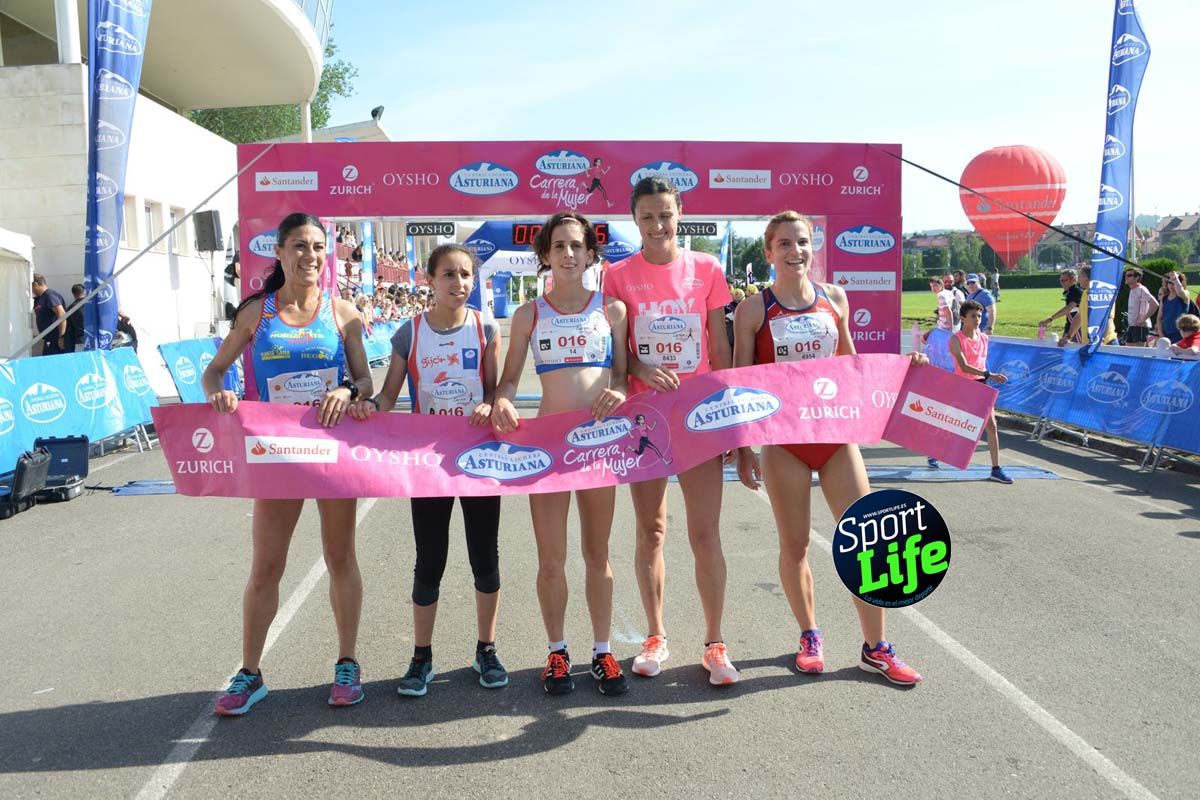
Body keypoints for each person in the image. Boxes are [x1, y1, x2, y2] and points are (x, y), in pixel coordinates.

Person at [733, 210, 926, 685]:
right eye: (784, 243)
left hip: (835, 438)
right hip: (785, 442)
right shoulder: (753, 310)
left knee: (868, 539)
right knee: (795, 544)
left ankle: (876, 648)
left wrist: (901, 370)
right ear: (769, 252)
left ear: (812, 247)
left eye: (802, 242)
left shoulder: (834, 298)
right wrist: (743, 449)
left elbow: (853, 367)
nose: (795, 251)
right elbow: (740, 384)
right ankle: (809, 636)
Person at [201, 212, 373, 715]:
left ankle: (347, 664)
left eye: (318, 247)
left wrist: (348, 390)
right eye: (299, 246)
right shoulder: (257, 313)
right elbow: (214, 372)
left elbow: (366, 381)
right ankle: (250, 673)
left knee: (340, 557)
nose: (310, 256)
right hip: (275, 456)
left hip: (331, 453)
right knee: (267, 566)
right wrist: (219, 396)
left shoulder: (343, 313)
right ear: (279, 253)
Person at [348, 243, 506, 697]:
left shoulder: (486, 328)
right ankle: (421, 656)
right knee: (430, 558)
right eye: (449, 274)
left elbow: (495, 392)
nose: (459, 283)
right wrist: (368, 407)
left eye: (465, 274)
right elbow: (389, 396)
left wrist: (489, 403)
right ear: (430, 280)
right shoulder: (409, 332)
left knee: (485, 557)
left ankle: (486, 649)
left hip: (477, 460)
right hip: (429, 464)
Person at [603, 176, 739, 685]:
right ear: (634, 220)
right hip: (646, 419)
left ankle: (715, 643)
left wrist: (728, 419)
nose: (657, 225)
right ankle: (656, 635)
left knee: (705, 533)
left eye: (665, 215)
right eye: (647, 217)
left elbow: (720, 350)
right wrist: (641, 369)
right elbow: (617, 354)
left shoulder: (707, 268)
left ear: (679, 215)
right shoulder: (617, 275)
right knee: (652, 530)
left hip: (699, 417)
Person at [491, 211, 630, 696]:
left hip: (597, 446)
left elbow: (622, 376)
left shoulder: (612, 310)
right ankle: (556, 650)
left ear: (591, 254)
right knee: (551, 559)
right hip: (548, 451)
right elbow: (509, 380)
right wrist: (504, 399)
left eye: (577, 246)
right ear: (545, 256)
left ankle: (603, 651)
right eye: (559, 246)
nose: (568, 254)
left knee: (597, 554)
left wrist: (619, 389)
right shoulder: (529, 314)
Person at [945, 300, 1012, 483]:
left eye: (979, 316)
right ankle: (935, 452)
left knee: (991, 425)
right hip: (963, 386)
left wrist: (985, 376)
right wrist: (990, 374)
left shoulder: (984, 338)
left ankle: (996, 469)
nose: (977, 319)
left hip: (981, 384)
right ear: (963, 318)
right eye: (973, 316)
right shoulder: (955, 340)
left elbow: (980, 363)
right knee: (954, 425)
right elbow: (964, 366)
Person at [1063, 265, 1116, 347]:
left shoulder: (1103, 294)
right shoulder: (1085, 293)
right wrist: (1068, 337)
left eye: (1080, 276)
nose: (1078, 280)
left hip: (1105, 343)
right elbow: (1079, 316)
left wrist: (1101, 339)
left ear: (1087, 278)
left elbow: (1107, 318)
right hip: (1089, 343)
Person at [1039, 269, 1082, 341]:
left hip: (1076, 329)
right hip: (1069, 326)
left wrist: (1050, 319)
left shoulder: (1076, 291)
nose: (1062, 283)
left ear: (1073, 280)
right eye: (1061, 280)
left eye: (1065, 280)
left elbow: (1068, 308)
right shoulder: (1069, 292)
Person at [31, 274, 68, 355]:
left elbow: (61, 314)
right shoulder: (39, 298)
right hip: (48, 337)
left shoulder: (49, 295)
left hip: (55, 338)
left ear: (35, 285)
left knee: (54, 360)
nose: (31, 291)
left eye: (30, 287)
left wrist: (61, 337)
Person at [1156, 271, 1196, 343]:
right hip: (1166, 336)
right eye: (1170, 282)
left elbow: (1180, 291)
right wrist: (1161, 334)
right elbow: (1159, 318)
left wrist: (1175, 278)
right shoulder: (1164, 299)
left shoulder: (1185, 295)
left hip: (1181, 336)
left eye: (1174, 283)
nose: (1171, 285)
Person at [1123, 267, 1158, 346]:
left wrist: (1143, 319)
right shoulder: (1132, 290)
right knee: (1127, 350)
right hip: (1132, 326)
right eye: (1125, 275)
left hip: (1140, 326)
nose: (1126, 277)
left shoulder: (1141, 289)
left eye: (1129, 275)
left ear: (1137, 278)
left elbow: (1155, 304)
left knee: (1139, 351)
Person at [64, 284, 85, 352]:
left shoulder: (71, 309)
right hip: (93, 340)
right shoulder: (91, 306)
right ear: (84, 292)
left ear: (73, 294)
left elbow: (68, 328)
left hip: (79, 341)